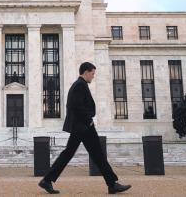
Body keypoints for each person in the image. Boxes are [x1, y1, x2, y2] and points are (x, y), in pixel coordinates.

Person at [38, 62, 132, 194]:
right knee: (97, 154)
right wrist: (89, 121)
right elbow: (76, 106)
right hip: (84, 127)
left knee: (70, 154)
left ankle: (47, 180)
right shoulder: (80, 85)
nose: (93, 76)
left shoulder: (79, 85)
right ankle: (112, 184)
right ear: (86, 72)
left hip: (80, 127)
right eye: (92, 74)